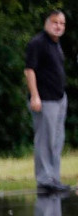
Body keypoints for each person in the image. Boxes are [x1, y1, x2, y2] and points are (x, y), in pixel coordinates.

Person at [26, 10, 69, 194]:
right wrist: (35, 96)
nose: (58, 26)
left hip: (59, 98)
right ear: (46, 23)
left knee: (57, 140)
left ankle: (54, 178)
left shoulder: (56, 44)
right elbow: (29, 70)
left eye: (62, 23)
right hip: (45, 100)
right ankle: (44, 180)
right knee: (45, 141)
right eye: (55, 22)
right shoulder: (38, 43)